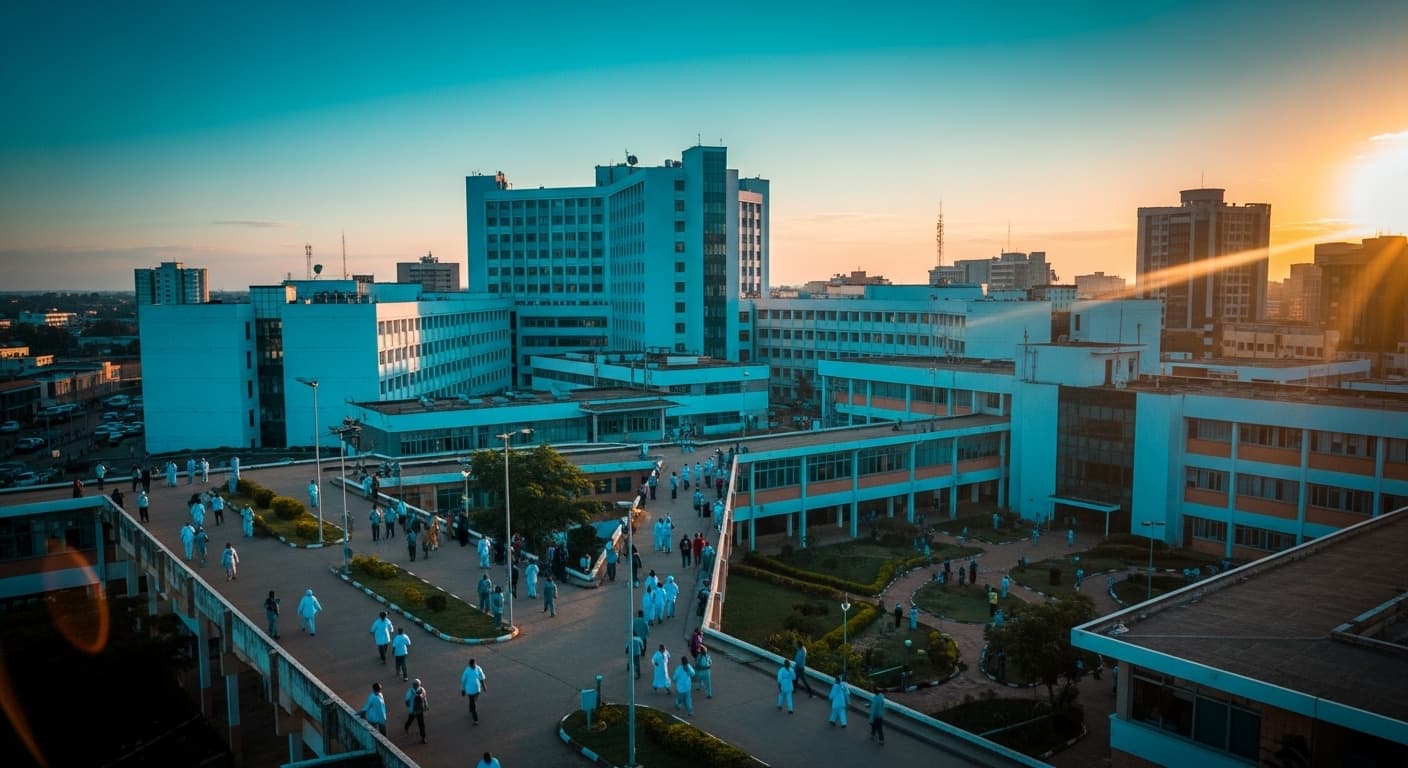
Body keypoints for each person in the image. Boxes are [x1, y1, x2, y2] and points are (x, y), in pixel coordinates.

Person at [460, 658, 487, 724]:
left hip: (477, 690)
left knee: (473, 701)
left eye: (474, 665)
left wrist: (484, 686)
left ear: (475, 663)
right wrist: (463, 690)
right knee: (473, 704)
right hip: (470, 690)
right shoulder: (466, 671)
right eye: (472, 666)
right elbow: (463, 681)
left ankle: (471, 709)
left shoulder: (478, 668)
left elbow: (482, 678)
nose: (473, 667)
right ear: (470, 665)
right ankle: (476, 720)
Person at [402, 679, 428, 744]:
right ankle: (406, 727)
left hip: (417, 710)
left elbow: (407, 701)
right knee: (414, 721)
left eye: (417, 685)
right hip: (416, 710)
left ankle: (423, 737)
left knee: (419, 723)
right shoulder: (417, 690)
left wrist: (409, 707)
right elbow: (424, 698)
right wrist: (426, 705)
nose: (416, 686)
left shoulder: (414, 691)